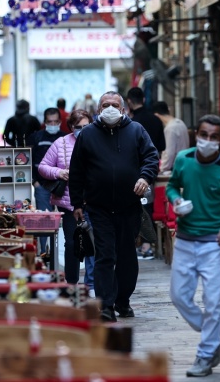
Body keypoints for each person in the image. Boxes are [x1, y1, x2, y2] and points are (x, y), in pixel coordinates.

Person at [166, 114, 220, 377]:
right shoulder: (184, 160)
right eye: (204, 135)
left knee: (214, 302)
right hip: (185, 239)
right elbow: (172, 186)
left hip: (215, 243)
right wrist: (176, 202)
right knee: (179, 296)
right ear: (196, 135)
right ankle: (215, 335)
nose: (208, 141)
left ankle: (205, 356)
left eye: (214, 137)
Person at [68, 91, 159, 322]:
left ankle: (123, 300)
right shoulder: (87, 134)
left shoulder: (136, 131)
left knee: (127, 256)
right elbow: (76, 170)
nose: (110, 108)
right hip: (99, 208)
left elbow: (151, 157)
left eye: (114, 105)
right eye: (105, 105)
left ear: (123, 109)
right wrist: (77, 202)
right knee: (105, 255)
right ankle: (106, 305)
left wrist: (144, 177)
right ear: (99, 110)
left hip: (129, 207)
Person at [39, 109, 95, 297]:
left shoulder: (98, 141)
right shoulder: (61, 143)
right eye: (77, 127)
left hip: (94, 200)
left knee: (93, 243)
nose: (81, 130)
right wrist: (59, 172)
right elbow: (43, 167)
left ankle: (92, 284)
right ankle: (71, 283)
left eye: (85, 127)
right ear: (71, 127)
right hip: (69, 202)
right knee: (72, 244)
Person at [126, 87, 166, 259]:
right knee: (147, 204)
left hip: (133, 170)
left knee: (133, 205)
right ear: (144, 98)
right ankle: (147, 245)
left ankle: (138, 244)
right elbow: (161, 148)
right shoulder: (155, 120)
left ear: (129, 102)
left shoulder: (131, 123)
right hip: (150, 170)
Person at [26, 108, 64, 261]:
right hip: (42, 185)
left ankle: (61, 256)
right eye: (50, 122)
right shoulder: (37, 137)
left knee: (66, 219)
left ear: (60, 122)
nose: (53, 124)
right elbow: (28, 159)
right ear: (44, 122)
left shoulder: (64, 138)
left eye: (56, 122)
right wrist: (34, 181)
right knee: (43, 221)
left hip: (63, 186)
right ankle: (44, 254)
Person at [152, 101, 190, 175]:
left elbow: (169, 153)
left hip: (175, 169)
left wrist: (161, 170)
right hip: (184, 166)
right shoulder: (181, 123)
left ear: (156, 115)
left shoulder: (170, 128)